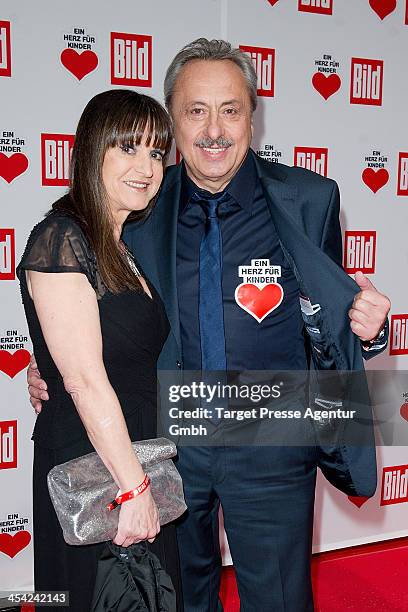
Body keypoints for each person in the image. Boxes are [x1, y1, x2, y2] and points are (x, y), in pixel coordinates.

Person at [29, 40, 391, 611]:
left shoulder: (308, 200)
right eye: (196, 111)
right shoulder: (142, 203)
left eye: (230, 109)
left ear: (252, 114)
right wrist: (48, 366)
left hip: (272, 444)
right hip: (169, 447)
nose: (214, 130)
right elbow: (97, 302)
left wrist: (372, 333)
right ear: (173, 121)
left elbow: (329, 317)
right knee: (180, 600)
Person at [18, 89, 182, 611]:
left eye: (157, 152)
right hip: (95, 465)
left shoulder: (120, 245)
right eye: (129, 148)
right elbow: (85, 381)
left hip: (135, 452)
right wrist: (132, 489)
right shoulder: (62, 237)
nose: (147, 166)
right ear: (93, 152)